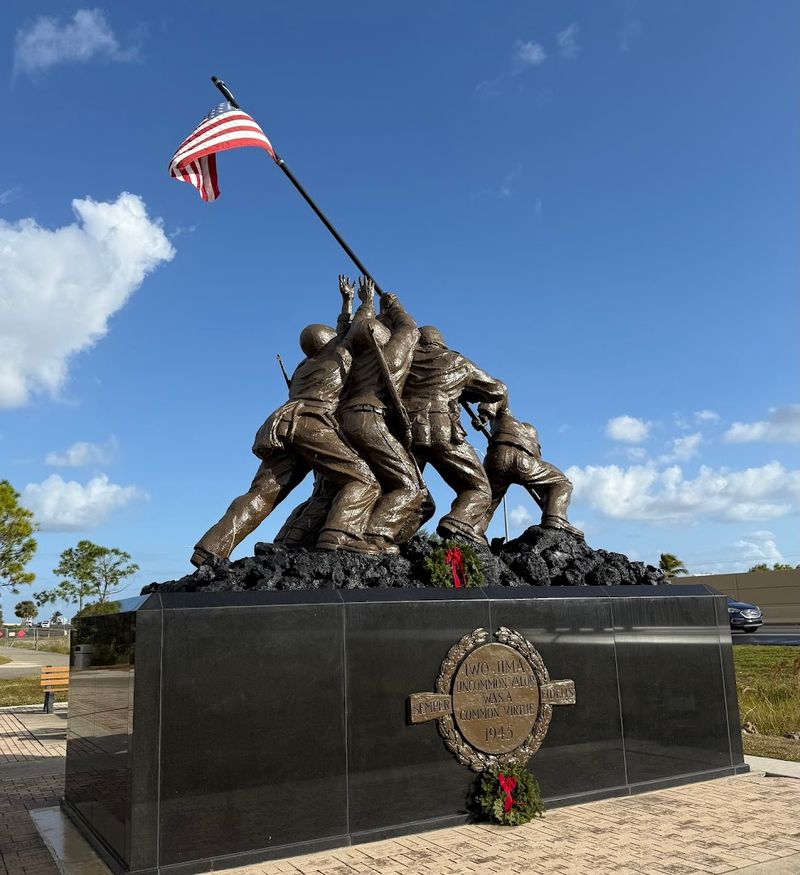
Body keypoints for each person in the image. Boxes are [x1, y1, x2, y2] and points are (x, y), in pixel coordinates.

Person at [190, 277, 380, 566]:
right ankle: (340, 536)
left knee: (262, 493)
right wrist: (367, 302)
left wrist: (346, 302)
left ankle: (210, 548)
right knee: (364, 479)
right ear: (330, 343)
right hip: (312, 423)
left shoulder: (304, 366)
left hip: (282, 424)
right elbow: (357, 330)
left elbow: (343, 331)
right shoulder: (338, 355)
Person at [336, 277, 424, 554]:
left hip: (342, 419)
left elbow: (347, 333)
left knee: (350, 483)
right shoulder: (392, 355)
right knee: (411, 487)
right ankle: (373, 537)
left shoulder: (351, 354)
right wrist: (393, 305)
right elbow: (410, 329)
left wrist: (360, 303)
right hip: (369, 418)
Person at [401, 325, 507, 544]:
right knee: (478, 489)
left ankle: (390, 540)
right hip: (442, 430)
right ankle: (456, 523)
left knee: (410, 492)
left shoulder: (404, 360)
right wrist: (465, 389)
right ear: (440, 342)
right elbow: (496, 389)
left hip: (405, 431)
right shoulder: (456, 361)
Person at [477, 402, 583, 538]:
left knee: (487, 502)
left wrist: (483, 416)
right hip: (524, 461)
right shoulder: (520, 424)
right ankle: (555, 517)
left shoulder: (499, 421)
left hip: (495, 459)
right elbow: (497, 396)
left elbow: (492, 400)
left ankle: (473, 530)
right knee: (561, 483)